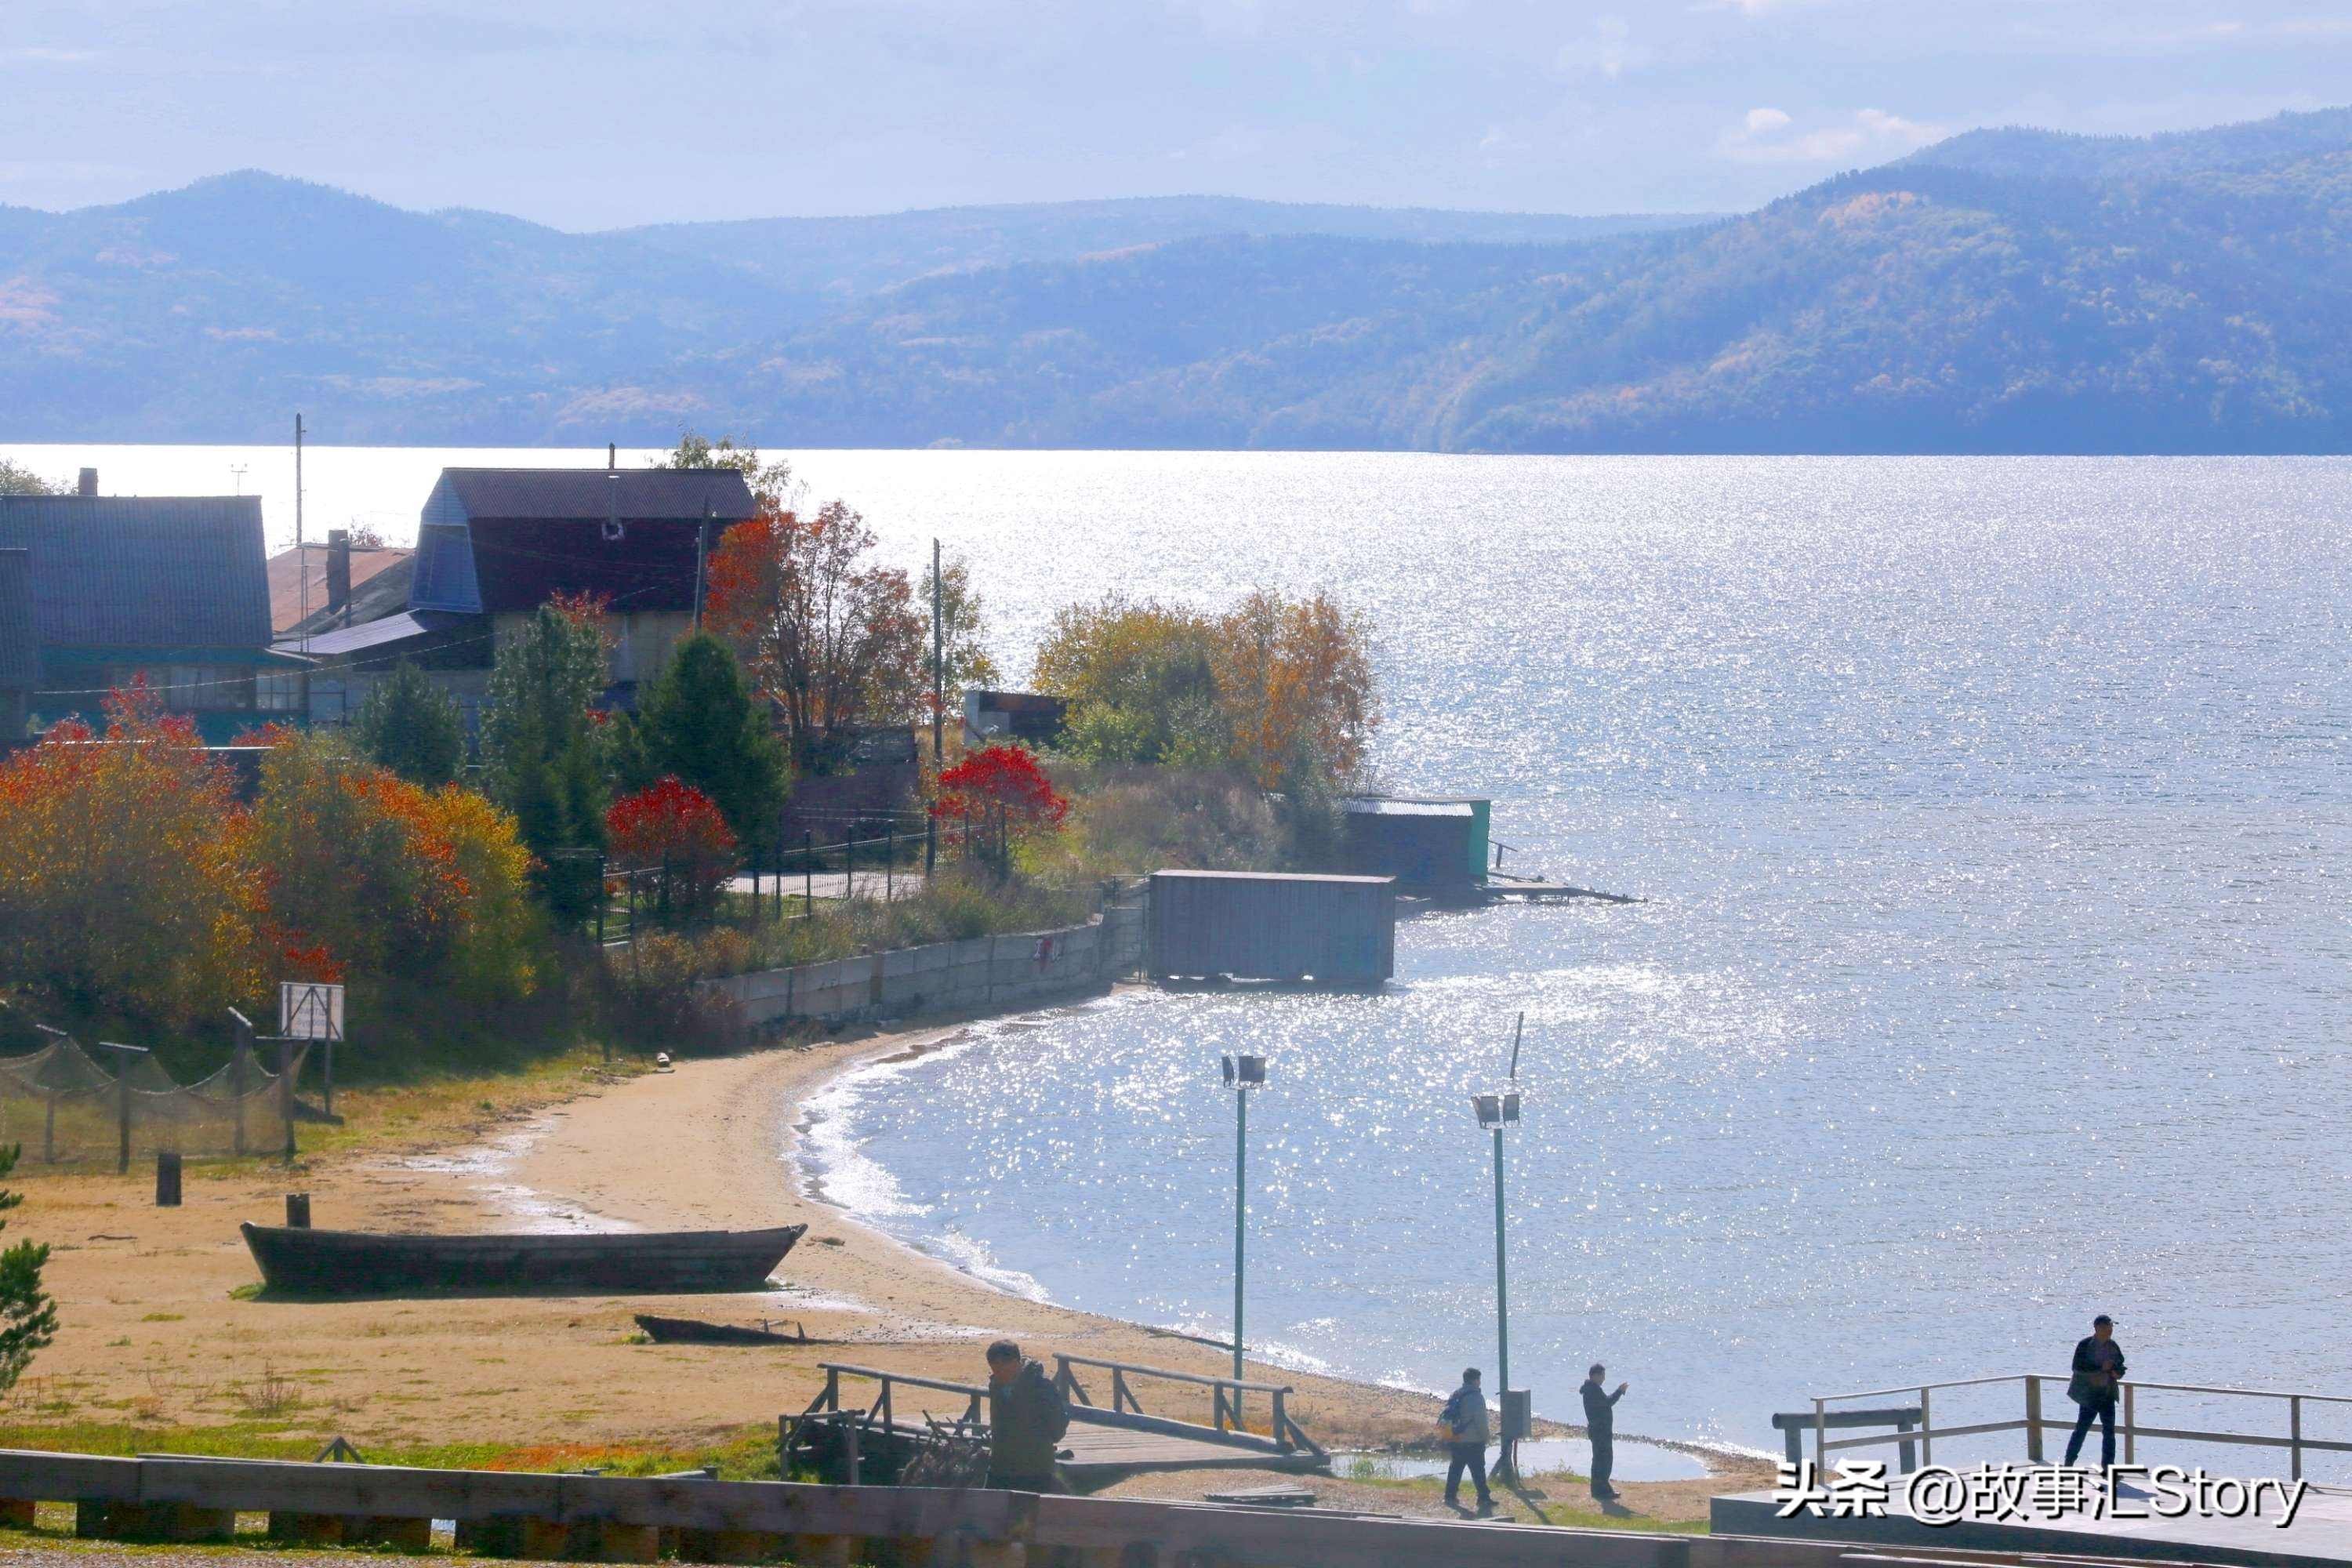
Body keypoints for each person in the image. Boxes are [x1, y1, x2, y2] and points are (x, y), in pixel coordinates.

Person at [983, 1339, 1070, 1491]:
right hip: (1000, 1468)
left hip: (1035, 1470)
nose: (999, 1374)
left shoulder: (1041, 1387)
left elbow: (1058, 1427)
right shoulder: (995, 1385)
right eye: (995, 1370)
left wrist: (1036, 1442)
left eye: (1003, 1369)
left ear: (1016, 1363)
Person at [2063, 1314, 2127, 1468]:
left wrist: (2117, 1373)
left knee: (2109, 1433)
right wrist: (2100, 1368)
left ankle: (2108, 1467)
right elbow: (2077, 1367)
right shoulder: (2085, 1345)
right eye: (2108, 1327)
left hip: (2107, 1394)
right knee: (2081, 1430)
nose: (2111, 1330)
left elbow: (2120, 1364)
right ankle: (2069, 1463)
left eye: (2111, 1327)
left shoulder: (2113, 1346)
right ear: (2098, 1328)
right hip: (2089, 1396)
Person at [1439, 1367, 1494, 1512]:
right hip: (1473, 1440)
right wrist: (1486, 1438)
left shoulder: (1456, 1393)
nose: (1480, 1382)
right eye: (1479, 1379)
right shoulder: (1476, 1397)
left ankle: (1450, 1496)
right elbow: (1481, 1422)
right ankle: (1483, 1498)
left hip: (1456, 1438)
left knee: (1456, 1468)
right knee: (1478, 1470)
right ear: (1475, 1380)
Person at [1581, 1363, 1629, 1500]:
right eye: (1602, 1376)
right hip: (1600, 1431)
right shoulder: (1593, 1390)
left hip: (1599, 1430)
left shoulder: (1592, 1389)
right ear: (1595, 1375)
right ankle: (1601, 1491)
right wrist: (1619, 1391)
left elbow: (1605, 1403)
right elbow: (1607, 1402)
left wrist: (1619, 1392)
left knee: (1601, 1460)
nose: (1604, 1379)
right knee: (1603, 1461)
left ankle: (1601, 1489)